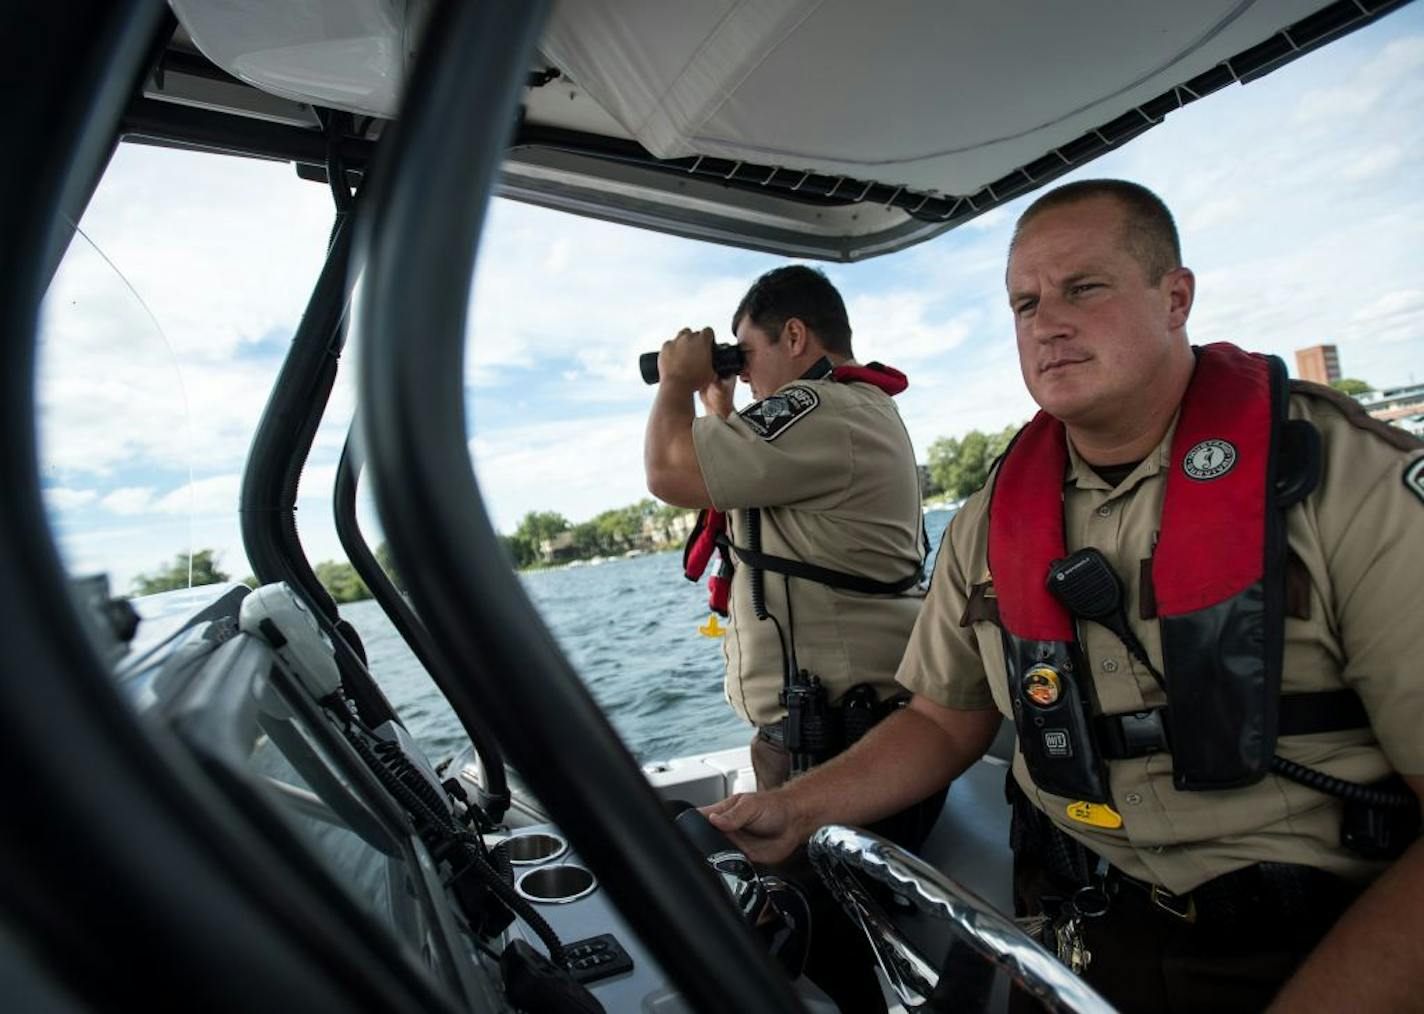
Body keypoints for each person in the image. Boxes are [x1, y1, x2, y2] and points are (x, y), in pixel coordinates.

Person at [704, 180, 1424, 1013]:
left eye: (1084, 288)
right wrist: (791, 811)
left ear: (1174, 298)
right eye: (1024, 304)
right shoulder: (992, 519)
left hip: (1299, 946)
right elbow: (943, 720)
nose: (1048, 322)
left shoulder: (1343, 484)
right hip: (1070, 927)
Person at [643, 265, 943, 1012]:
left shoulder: (826, 407)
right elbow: (727, 476)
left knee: (797, 957)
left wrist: (677, 383)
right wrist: (720, 399)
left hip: (845, 747)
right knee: (809, 951)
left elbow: (669, 469)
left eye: (745, 355)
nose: (741, 378)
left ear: (798, 337)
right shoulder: (835, 416)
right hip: (823, 737)